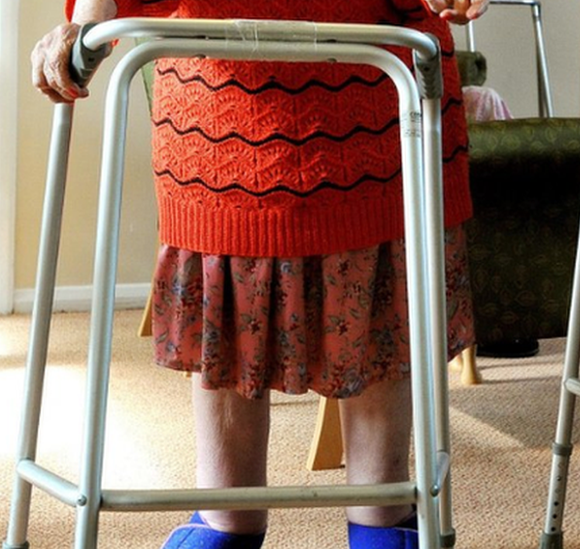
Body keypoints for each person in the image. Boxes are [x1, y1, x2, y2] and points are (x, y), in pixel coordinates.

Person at [32, 0, 488, 547]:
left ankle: (270, 525)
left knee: (356, 295)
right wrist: (86, 28)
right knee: (327, 300)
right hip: (248, 120)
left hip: (360, 109)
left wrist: (88, 26)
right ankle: (339, 525)